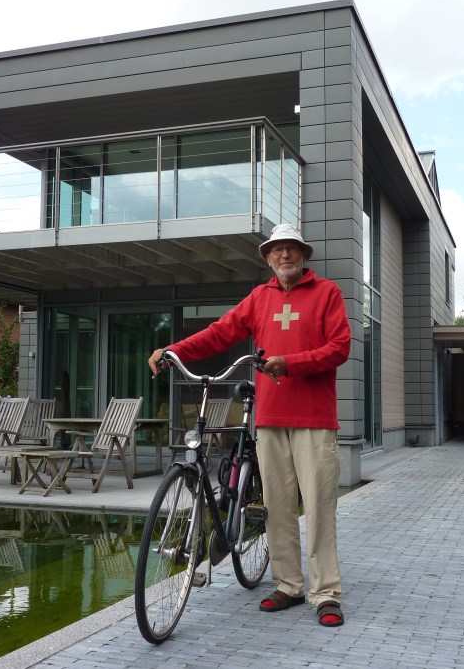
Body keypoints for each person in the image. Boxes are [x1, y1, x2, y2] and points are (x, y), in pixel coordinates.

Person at [148, 223, 351, 628]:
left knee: (319, 508)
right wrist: (172, 349)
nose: (284, 255)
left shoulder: (327, 292)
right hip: (271, 418)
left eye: (291, 249)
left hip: (314, 419)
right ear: (268, 257)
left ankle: (326, 593)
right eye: (277, 250)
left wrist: (290, 363)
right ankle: (289, 585)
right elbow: (219, 333)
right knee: (277, 507)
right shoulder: (259, 297)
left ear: (303, 255)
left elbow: (339, 347)